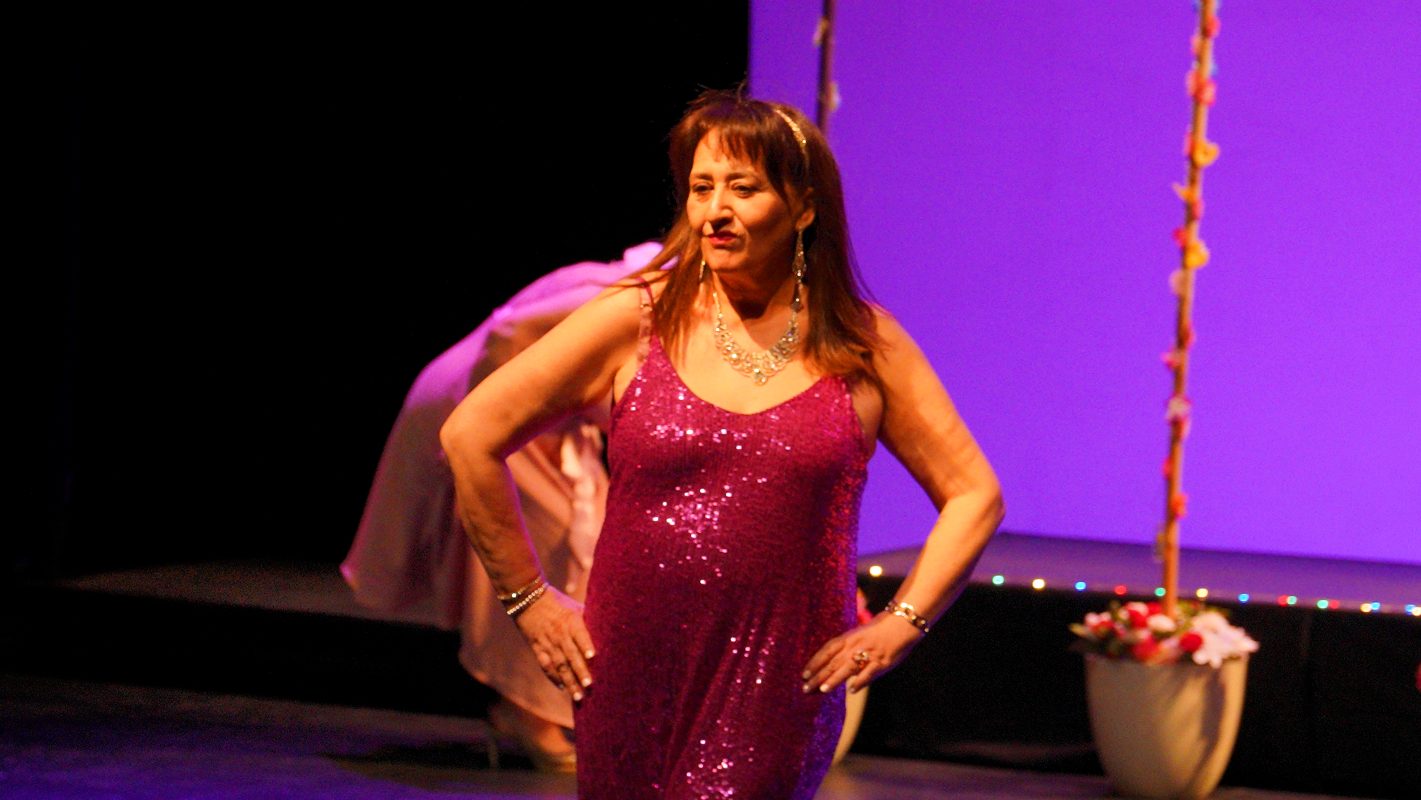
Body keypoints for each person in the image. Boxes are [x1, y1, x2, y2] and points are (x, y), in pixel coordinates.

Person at [440, 91, 1005, 799]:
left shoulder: (863, 344)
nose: (715, 210)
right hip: (628, 670)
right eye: (701, 188)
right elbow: (469, 434)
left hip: (779, 682)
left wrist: (901, 624)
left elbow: (974, 494)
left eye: (743, 188)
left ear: (803, 208)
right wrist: (528, 600)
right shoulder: (635, 318)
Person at [341, 242, 661, 772]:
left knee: (592, 535)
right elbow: (509, 330)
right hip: (479, 399)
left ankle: (554, 707)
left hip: (546, 422)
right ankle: (525, 713)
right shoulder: (636, 297)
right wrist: (503, 420)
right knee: (541, 540)